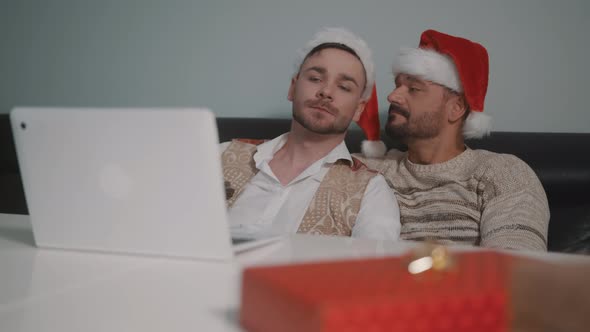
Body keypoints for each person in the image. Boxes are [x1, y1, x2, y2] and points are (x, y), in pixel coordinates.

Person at [356, 30, 549, 250]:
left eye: (414, 89)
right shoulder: (368, 169)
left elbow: (513, 269)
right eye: (396, 85)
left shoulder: (504, 173)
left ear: (456, 108)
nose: (392, 96)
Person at [220, 28, 400, 241]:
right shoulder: (220, 155)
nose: (326, 92)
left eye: (343, 86)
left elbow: (373, 270)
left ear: (359, 109)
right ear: (292, 89)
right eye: (315, 78)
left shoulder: (371, 192)